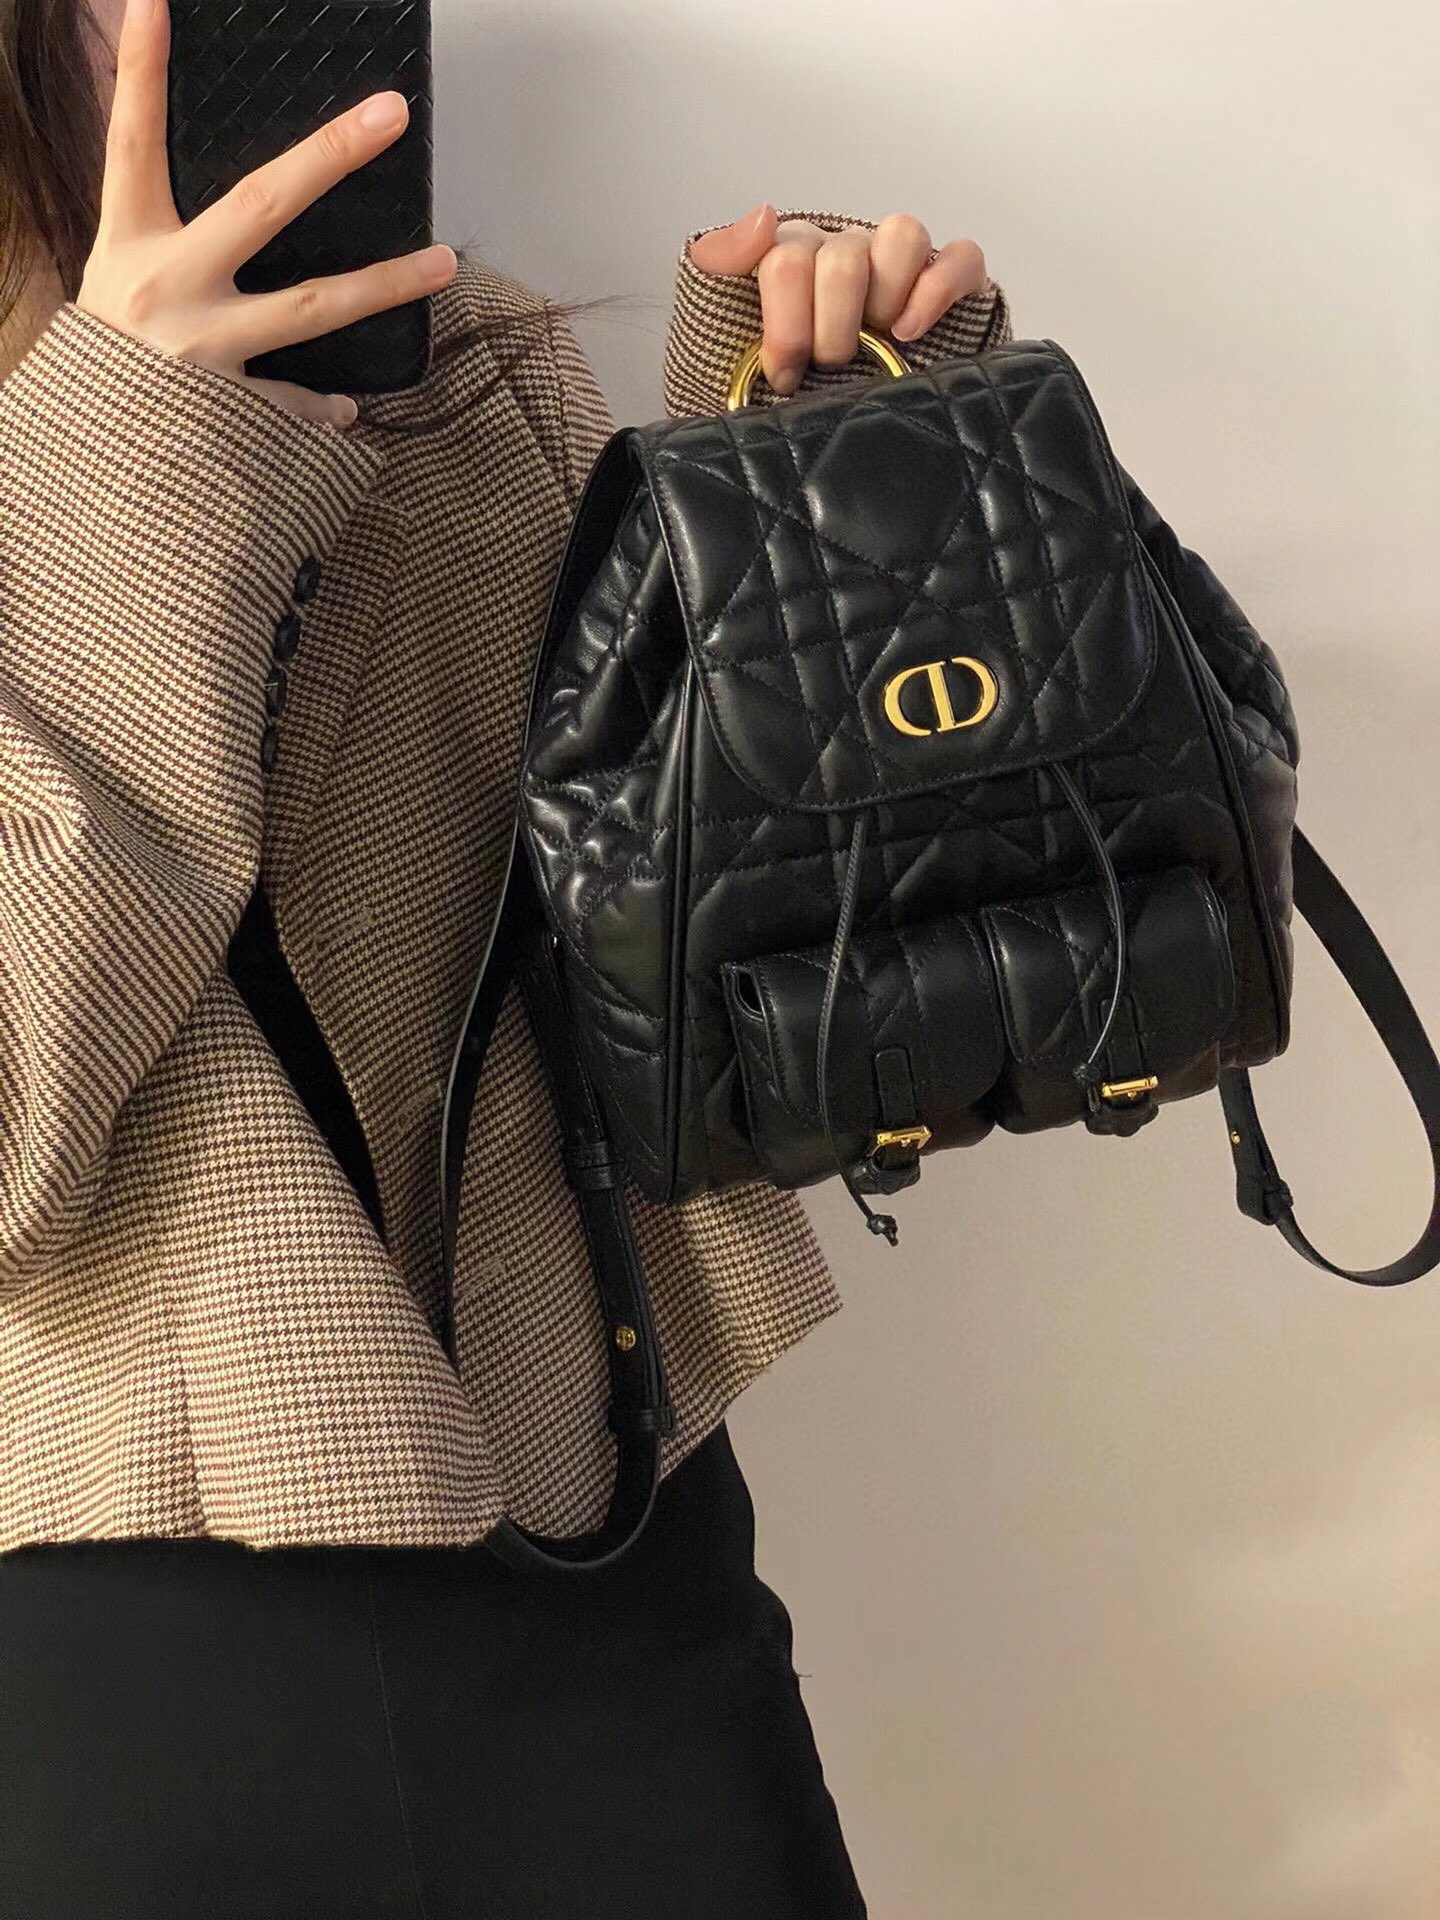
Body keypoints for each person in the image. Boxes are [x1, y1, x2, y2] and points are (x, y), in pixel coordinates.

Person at [0, 0, 1011, 1911]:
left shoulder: (458, 373)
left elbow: (740, 1020)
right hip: (96, 1623)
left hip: (600, 1554)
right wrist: (120, 462)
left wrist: (817, 477)